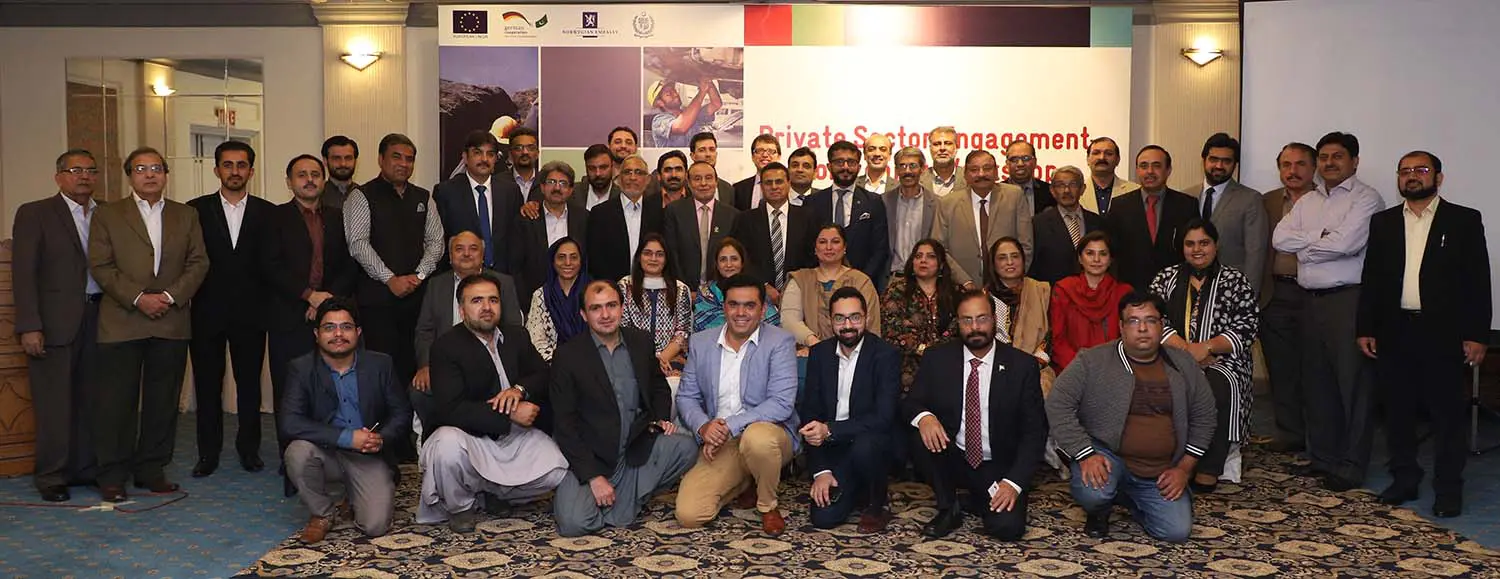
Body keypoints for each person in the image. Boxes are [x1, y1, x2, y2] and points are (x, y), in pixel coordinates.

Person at [1358, 151, 1491, 518]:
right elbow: (1372, 278)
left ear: (1438, 178)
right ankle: (1404, 479)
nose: (1412, 176)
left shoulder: (1463, 220)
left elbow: (1478, 281)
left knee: (1447, 416)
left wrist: (1478, 334)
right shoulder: (1383, 222)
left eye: (1421, 169)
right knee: (1397, 413)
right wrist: (1365, 326)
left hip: (1443, 334)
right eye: (1405, 171)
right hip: (1394, 331)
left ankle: (1448, 489)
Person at [89, 146, 210, 502]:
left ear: (166, 175)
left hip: (170, 321)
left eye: (156, 168)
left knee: (163, 402)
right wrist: (139, 297)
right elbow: (101, 265)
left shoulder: (186, 215)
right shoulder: (108, 214)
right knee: (116, 404)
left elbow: (199, 262)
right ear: (130, 175)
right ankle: (112, 475)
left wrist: (169, 297)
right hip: (121, 322)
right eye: (141, 168)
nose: (150, 174)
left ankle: (151, 469)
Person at [1047, 292, 1216, 543]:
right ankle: (1101, 507)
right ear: (1121, 327)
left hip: (1160, 469)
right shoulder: (1092, 360)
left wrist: (1184, 469)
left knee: (1176, 531)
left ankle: (1126, 498)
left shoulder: (1183, 364)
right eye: (1134, 321)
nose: (1143, 328)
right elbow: (1057, 403)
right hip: (1107, 457)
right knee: (1095, 494)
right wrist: (1084, 454)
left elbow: (1205, 416)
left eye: (1150, 320)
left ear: (1161, 325)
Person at [1271, 131, 1385, 491]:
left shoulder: (1367, 198)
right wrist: (1322, 238)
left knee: (1352, 385)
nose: (1329, 163)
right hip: (1309, 300)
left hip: (1347, 300)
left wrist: (1307, 246)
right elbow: (1279, 239)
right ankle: (1322, 458)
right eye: (1323, 157)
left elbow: (1348, 244)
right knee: (1316, 382)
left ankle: (1351, 464)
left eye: (1338, 156)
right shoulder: (1308, 200)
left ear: (1354, 161)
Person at [419, 272, 566, 533]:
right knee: (446, 447)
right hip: (469, 434)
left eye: (493, 300)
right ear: (462, 310)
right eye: (477, 301)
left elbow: (543, 375)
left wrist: (519, 390)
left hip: (512, 435)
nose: (487, 307)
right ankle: (461, 507)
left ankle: (494, 493)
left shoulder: (517, 336)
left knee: (558, 471)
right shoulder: (446, 347)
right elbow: (451, 409)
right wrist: (509, 414)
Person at [550, 281, 698, 536]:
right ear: (584, 315)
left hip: (635, 447)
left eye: (611, 305)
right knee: (574, 524)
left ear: (621, 308)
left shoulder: (640, 341)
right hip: (592, 456)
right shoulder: (567, 356)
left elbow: (658, 386)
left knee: (687, 448)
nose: (605, 314)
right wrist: (593, 478)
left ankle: (619, 500)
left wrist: (661, 418)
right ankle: (621, 503)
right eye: (596, 308)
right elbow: (564, 425)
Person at [907, 290, 1048, 540]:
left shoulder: (1021, 366)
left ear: (995, 320)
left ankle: (977, 498)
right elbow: (911, 402)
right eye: (967, 320)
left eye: (982, 319)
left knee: (1007, 528)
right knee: (920, 434)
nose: (975, 327)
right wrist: (925, 417)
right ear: (958, 323)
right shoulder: (937, 358)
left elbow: (1035, 432)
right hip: (953, 456)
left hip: (998, 464)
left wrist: (1013, 483)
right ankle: (948, 506)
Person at [261, 154, 360, 495]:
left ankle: (330, 458)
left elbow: (349, 264)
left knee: (330, 388)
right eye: (301, 174)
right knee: (290, 391)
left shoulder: (337, 217)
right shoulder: (274, 217)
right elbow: (269, 266)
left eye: (315, 174)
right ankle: (292, 465)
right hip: (289, 316)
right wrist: (308, 297)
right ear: (289, 181)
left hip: (332, 319)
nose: (309, 180)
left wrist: (326, 302)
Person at [674, 274, 801, 535]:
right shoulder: (701, 342)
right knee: (690, 514)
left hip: (769, 433)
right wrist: (704, 427)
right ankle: (747, 478)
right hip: (722, 441)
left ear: (762, 310)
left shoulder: (780, 341)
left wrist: (728, 426)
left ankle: (767, 504)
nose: (741, 313)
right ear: (724, 307)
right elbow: (687, 396)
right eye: (734, 304)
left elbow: (781, 403)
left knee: (757, 440)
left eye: (749, 305)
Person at [279, 299, 410, 543]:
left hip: (367, 454)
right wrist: (347, 437)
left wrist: (381, 439)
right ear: (317, 334)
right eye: (329, 327)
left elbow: (401, 413)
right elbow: (290, 422)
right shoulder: (301, 368)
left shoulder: (380, 364)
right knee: (297, 452)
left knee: (375, 526)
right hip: (325, 450)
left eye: (346, 327)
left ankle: (352, 496)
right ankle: (322, 513)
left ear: (358, 332)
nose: (338, 334)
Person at [13, 149, 103, 501]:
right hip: (53, 324)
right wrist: (29, 325)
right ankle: (52, 475)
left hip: (100, 318)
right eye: (75, 170)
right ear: (59, 176)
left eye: (90, 171)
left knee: (92, 400)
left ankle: (87, 468)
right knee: (54, 404)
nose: (84, 176)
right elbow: (24, 273)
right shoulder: (35, 213)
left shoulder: (107, 213)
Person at [1147, 219, 1259, 491]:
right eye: (1190, 244)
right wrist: (1188, 352)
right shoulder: (1166, 278)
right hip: (1173, 355)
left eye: (1204, 243)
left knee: (1218, 385)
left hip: (1223, 358)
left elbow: (1247, 326)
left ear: (1216, 245)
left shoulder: (1235, 280)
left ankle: (1209, 467)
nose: (1197, 249)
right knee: (1162, 383)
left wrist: (1207, 347)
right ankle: (1165, 460)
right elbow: (1153, 318)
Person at [187, 140, 276, 477]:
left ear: (251, 171)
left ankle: (249, 450)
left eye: (241, 165)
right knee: (207, 385)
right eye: (228, 165)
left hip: (252, 315)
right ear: (216, 170)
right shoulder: (194, 210)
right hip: (206, 314)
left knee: (249, 386)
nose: (235, 171)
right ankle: (207, 453)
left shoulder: (268, 212)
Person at [344, 133, 445, 397]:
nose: (403, 164)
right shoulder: (361, 196)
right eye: (396, 157)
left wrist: (419, 276)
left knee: (414, 365)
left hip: (416, 297)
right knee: (380, 369)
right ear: (381, 159)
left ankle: (412, 420)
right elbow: (358, 244)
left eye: (409, 159)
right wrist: (390, 279)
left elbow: (436, 242)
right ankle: (383, 422)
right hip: (377, 300)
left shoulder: (423, 197)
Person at [798, 287, 902, 532]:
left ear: (866, 317)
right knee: (824, 518)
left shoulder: (885, 355)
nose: (847, 326)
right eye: (840, 318)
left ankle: (877, 503)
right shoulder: (820, 354)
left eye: (855, 317)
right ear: (830, 320)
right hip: (832, 448)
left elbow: (883, 417)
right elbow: (810, 415)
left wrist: (830, 429)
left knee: (865, 446)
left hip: (870, 444)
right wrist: (821, 471)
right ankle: (853, 489)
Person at [412, 232, 524, 442]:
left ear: (483, 255)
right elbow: (425, 330)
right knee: (419, 391)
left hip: (490, 359)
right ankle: (431, 439)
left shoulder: (503, 282)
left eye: (473, 249)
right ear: (450, 256)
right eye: (459, 249)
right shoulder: (437, 285)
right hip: (446, 364)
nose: (466, 254)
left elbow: (513, 326)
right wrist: (425, 364)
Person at [1260, 143, 1317, 453]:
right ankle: (1290, 434)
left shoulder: (1328, 201)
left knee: (1315, 368)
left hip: (1316, 294)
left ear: (1313, 168)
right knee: (1281, 368)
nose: (1292, 171)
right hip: (1276, 292)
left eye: (1300, 164)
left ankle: (1319, 436)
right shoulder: (1267, 202)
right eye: (1286, 164)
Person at [932, 149, 1033, 290]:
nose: (981, 174)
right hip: (961, 288)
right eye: (974, 170)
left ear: (996, 172)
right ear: (965, 175)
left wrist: (1013, 279)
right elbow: (939, 249)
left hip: (1008, 288)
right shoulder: (947, 203)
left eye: (987, 168)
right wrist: (964, 281)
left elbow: (1026, 245)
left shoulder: (1014, 196)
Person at [1183, 133, 1268, 296]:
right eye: (1213, 159)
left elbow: (1255, 253)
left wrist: (1247, 295)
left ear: (1235, 165)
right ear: (1203, 160)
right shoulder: (1186, 196)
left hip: (1230, 290)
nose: (1219, 166)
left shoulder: (1250, 199)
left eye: (1226, 161)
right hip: (1189, 289)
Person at [1104, 145, 1199, 291]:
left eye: (1156, 166)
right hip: (1131, 291)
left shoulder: (1187, 205)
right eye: (1144, 166)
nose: (1150, 171)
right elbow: (1112, 253)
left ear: (1168, 170)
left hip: (1174, 289)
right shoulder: (1120, 206)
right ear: (1137, 171)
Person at [433, 129, 524, 273]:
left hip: (503, 275)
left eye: (490, 154)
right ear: (465, 157)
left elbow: (517, 237)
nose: (484, 159)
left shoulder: (510, 191)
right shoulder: (446, 192)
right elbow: (440, 239)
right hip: (462, 274)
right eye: (477, 153)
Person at [783, 225, 883, 351]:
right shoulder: (800, 279)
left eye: (835, 242)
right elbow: (790, 321)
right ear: (815, 248)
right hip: (809, 351)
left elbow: (870, 323)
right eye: (822, 242)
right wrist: (815, 344)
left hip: (855, 352)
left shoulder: (861, 281)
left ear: (844, 247)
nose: (829, 247)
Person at [806, 141, 891, 289]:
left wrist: (861, 281)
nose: (845, 167)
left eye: (851, 162)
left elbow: (880, 249)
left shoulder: (873, 202)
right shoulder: (812, 202)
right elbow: (807, 245)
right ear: (829, 167)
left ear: (859, 167)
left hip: (862, 284)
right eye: (839, 162)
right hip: (819, 285)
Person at [881, 239, 960, 394]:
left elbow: (959, 327)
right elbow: (890, 330)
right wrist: (921, 349)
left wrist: (938, 352)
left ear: (941, 264)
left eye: (931, 256)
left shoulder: (955, 293)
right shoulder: (896, 291)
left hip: (947, 366)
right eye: (918, 256)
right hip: (906, 369)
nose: (923, 260)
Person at [729, 161, 816, 301]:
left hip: (800, 293)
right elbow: (741, 257)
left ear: (789, 183)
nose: (774, 187)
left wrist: (794, 285)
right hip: (756, 294)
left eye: (779, 181)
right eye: (768, 183)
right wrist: (762, 285)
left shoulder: (808, 218)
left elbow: (813, 257)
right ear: (762, 187)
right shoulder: (745, 220)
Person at [1050, 231, 1133, 371]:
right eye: (1090, 253)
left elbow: (1129, 338)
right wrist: (1081, 368)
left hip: (1114, 369)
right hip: (1072, 369)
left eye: (1103, 254)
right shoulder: (1064, 289)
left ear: (1110, 259)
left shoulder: (1124, 292)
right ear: (1080, 258)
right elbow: (1058, 340)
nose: (1096, 259)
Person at [985, 238, 1055, 395]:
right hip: (994, 368)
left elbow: (1051, 334)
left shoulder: (1042, 291)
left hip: (1036, 368)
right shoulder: (984, 298)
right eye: (1002, 258)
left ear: (1023, 260)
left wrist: (1031, 366)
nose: (1010, 262)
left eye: (1015, 256)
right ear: (993, 264)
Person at [618, 234, 692, 373]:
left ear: (666, 259)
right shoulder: (625, 286)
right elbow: (623, 328)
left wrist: (662, 359)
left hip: (671, 358)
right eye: (647, 253)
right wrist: (647, 361)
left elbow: (682, 332)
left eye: (659, 254)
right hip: (633, 357)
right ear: (639, 257)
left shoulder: (680, 289)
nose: (653, 259)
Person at [587, 154, 664, 283]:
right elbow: (595, 258)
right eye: (627, 172)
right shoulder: (600, 213)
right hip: (612, 288)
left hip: (650, 286)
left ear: (648, 180)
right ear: (618, 178)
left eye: (638, 172)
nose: (632, 177)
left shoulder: (659, 213)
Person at [662, 161, 739, 289]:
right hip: (682, 289)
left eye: (708, 178)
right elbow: (672, 253)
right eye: (697, 179)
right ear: (688, 183)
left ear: (716, 182)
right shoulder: (674, 211)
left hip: (721, 291)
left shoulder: (732, 215)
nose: (703, 183)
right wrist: (684, 289)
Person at [1029, 165, 1104, 284]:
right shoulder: (1038, 224)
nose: (1067, 190)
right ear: (1052, 191)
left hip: (1093, 290)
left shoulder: (1098, 222)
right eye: (1060, 185)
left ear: (1082, 189)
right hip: (1053, 290)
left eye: (1073, 185)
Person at [694, 237, 781, 332]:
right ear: (717, 265)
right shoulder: (705, 292)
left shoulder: (756, 289)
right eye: (723, 260)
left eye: (734, 259)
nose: (729, 265)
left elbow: (771, 322)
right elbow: (702, 326)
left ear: (742, 263)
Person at [525, 237, 590, 362]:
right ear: (553, 261)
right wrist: (560, 362)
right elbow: (536, 340)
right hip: (554, 365)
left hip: (593, 362)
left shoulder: (595, 293)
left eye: (574, 257)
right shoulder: (541, 295)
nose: (568, 262)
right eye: (561, 257)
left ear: (581, 261)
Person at [883, 147, 939, 278]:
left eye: (913, 166)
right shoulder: (883, 202)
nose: (907, 171)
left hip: (925, 278)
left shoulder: (937, 204)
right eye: (902, 166)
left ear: (922, 169)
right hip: (891, 279)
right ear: (896, 170)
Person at [647, 79, 721, 148]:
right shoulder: (658, 121)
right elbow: (680, 127)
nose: (675, 94)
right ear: (659, 103)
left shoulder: (690, 113)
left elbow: (716, 104)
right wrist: (702, 92)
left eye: (674, 90)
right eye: (668, 94)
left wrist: (708, 83)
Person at [1081, 137, 1140, 214]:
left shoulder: (1135, 191)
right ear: (1087, 159)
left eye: (1109, 153)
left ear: (1118, 160)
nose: (1102, 157)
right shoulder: (1076, 191)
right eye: (1096, 153)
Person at [1003, 139, 1055, 218]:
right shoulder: (995, 193)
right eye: (1014, 159)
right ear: (1007, 164)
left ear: (1035, 162)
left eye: (1026, 158)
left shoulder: (1050, 192)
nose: (1020, 164)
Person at [732, 133, 782, 210]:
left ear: (779, 157)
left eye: (771, 151)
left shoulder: (789, 187)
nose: (765, 155)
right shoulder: (738, 189)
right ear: (752, 156)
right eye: (759, 151)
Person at [920, 126, 966, 198]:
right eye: (936, 144)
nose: (942, 148)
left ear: (956, 147)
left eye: (948, 143)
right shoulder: (919, 179)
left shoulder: (969, 179)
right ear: (930, 148)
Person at [575, 144, 621, 212]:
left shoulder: (622, 195)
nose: (598, 173)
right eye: (592, 168)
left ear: (612, 166)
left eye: (603, 167)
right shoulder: (571, 193)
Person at [320, 135, 359, 210]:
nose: (343, 164)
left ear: (355, 161)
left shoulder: (365, 195)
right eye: (336, 158)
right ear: (325, 161)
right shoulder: (316, 195)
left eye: (348, 158)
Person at [501, 127, 541, 201]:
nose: (525, 152)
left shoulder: (545, 182)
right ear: (510, 154)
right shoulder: (498, 183)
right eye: (518, 148)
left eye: (530, 148)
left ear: (537, 153)